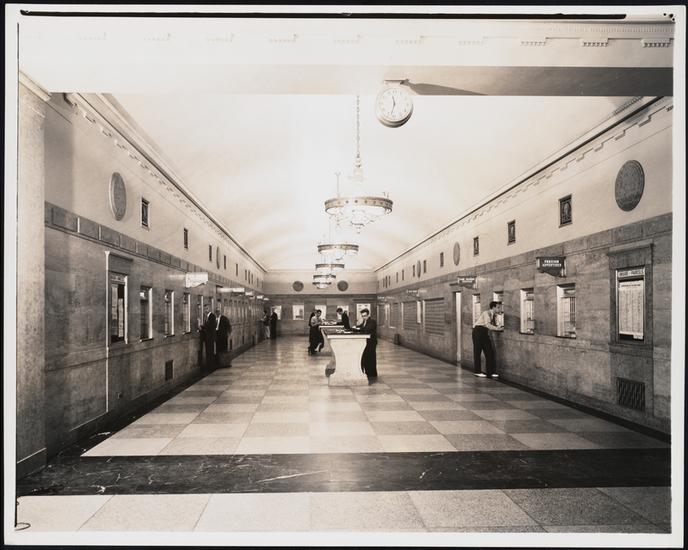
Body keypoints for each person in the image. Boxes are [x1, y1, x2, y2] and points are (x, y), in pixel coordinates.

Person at [472, 300, 504, 379]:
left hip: (484, 333)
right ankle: (477, 371)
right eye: (498, 308)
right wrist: (498, 329)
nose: (500, 310)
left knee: (489, 352)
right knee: (477, 351)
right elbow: (488, 325)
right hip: (478, 331)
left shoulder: (494, 315)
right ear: (493, 307)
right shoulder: (486, 313)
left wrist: (498, 326)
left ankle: (490, 372)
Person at [355, 308, 377, 379]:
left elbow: (367, 329)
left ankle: (372, 373)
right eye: (362, 316)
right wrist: (355, 327)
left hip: (371, 342)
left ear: (368, 315)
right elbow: (361, 327)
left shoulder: (372, 322)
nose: (364, 317)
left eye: (365, 316)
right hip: (366, 342)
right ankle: (367, 372)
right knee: (366, 357)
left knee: (371, 357)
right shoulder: (365, 321)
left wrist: (359, 329)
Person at [200, 303, 216, 371]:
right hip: (206, 337)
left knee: (210, 351)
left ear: (209, 309)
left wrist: (202, 326)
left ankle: (211, 366)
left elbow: (211, 326)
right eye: (205, 309)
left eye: (206, 309)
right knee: (207, 351)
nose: (205, 310)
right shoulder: (206, 316)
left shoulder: (212, 316)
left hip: (210, 337)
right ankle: (209, 365)